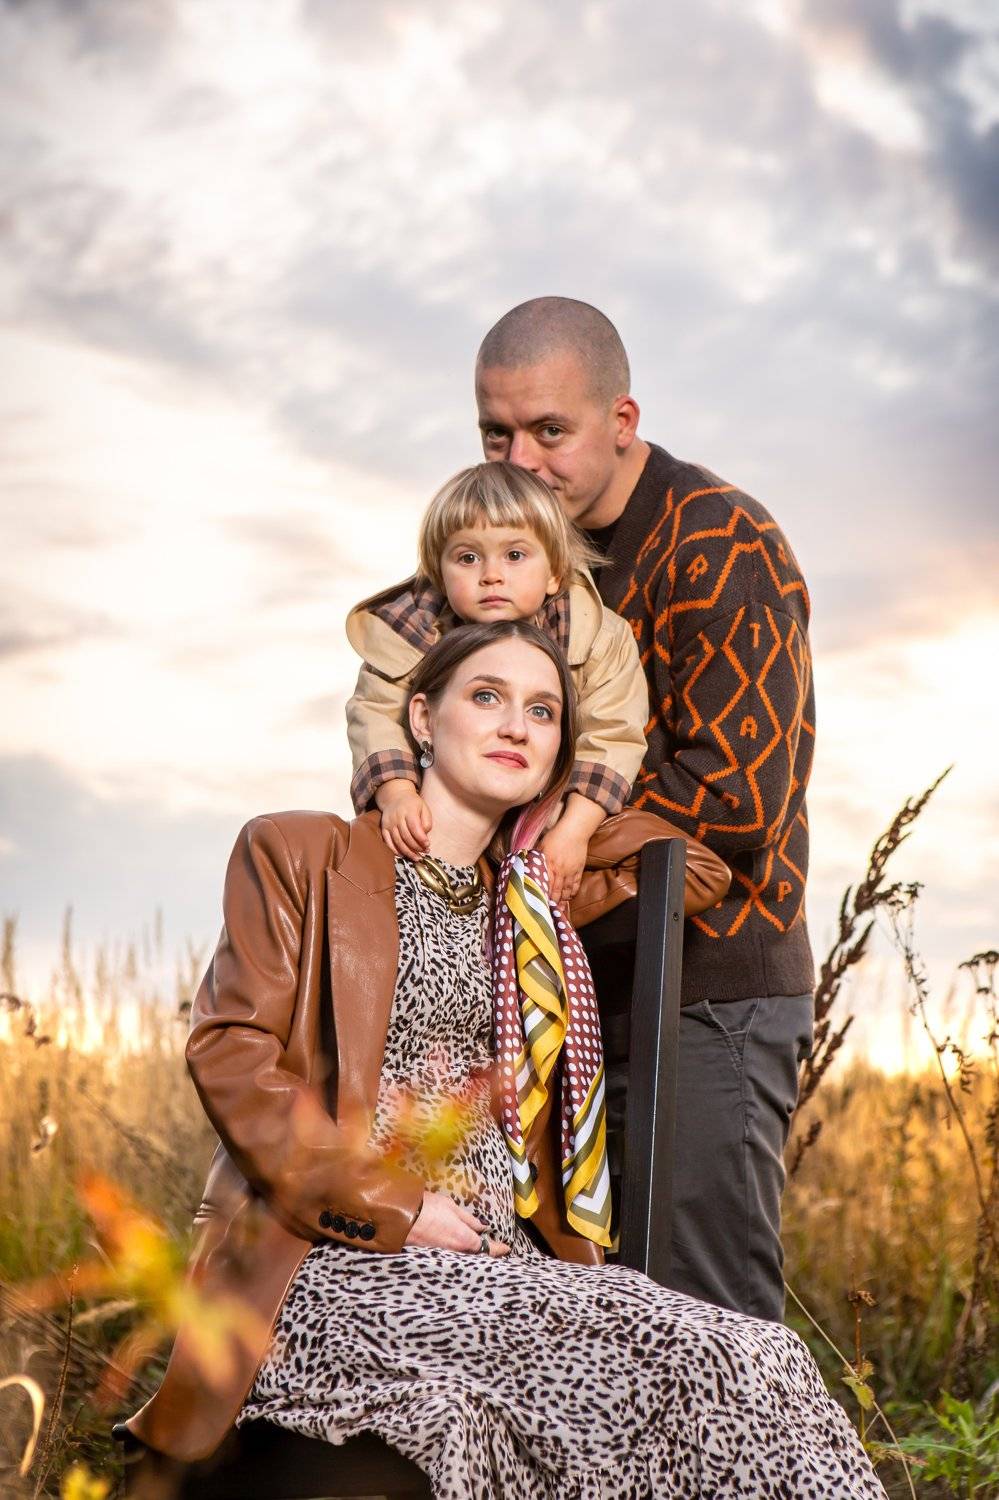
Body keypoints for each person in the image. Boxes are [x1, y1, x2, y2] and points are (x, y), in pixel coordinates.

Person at [117, 622, 884, 1499]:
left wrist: (572, 821)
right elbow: (233, 1054)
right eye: (486, 697)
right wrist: (400, 1206)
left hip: (503, 1263)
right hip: (340, 1259)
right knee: (703, 1359)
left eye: (543, 712)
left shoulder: (527, 907)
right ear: (420, 718)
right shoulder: (301, 853)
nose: (516, 725)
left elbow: (697, 871)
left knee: (759, 1349)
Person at [475, 296, 816, 1322]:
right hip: (563, 1001)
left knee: (709, 1318)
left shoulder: (720, 539)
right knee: (586, 1327)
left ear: (621, 420)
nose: (521, 460)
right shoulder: (512, 562)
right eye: (496, 434)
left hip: (711, 988)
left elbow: (737, 791)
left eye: (549, 431)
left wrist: (549, 842)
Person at [345, 460, 649, 905]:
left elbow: (614, 733)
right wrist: (397, 795)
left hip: (545, 811)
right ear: (440, 573)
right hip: (442, 815)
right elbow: (376, 713)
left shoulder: (598, 638)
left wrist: (574, 830)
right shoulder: (407, 634)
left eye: (515, 555)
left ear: (554, 573)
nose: (491, 574)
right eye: (468, 558)